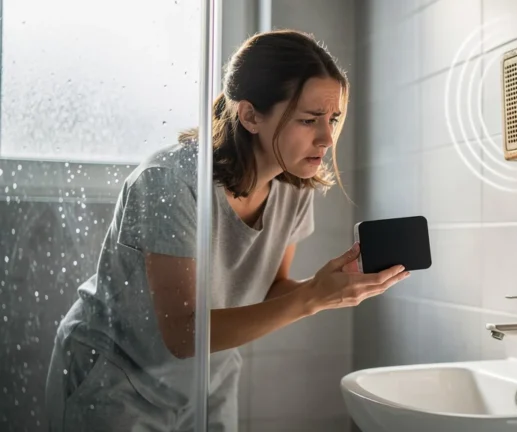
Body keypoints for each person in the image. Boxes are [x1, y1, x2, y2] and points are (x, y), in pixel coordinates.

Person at [45, 29, 410, 431]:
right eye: (309, 120)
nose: (326, 138)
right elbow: (184, 333)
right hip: (116, 377)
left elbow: (272, 287)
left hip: (206, 378)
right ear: (250, 115)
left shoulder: (293, 185)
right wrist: (312, 297)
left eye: (333, 119)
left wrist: (331, 287)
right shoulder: (170, 182)